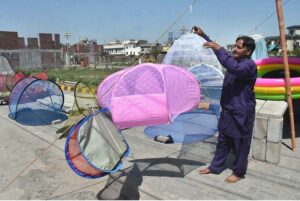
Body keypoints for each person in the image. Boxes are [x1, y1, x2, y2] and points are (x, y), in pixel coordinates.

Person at [193, 26, 257, 183]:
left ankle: (239, 171)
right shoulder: (234, 60)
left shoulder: (248, 65)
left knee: (241, 142)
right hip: (228, 109)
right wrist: (205, 36)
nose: (234, 49)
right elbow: (222, 55)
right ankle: (215, 167)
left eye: (238, 47)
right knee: (223, 140)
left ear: (248, 51)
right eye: (234, 46)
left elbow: (232, 66)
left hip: (242, 111)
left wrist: (218, 47)